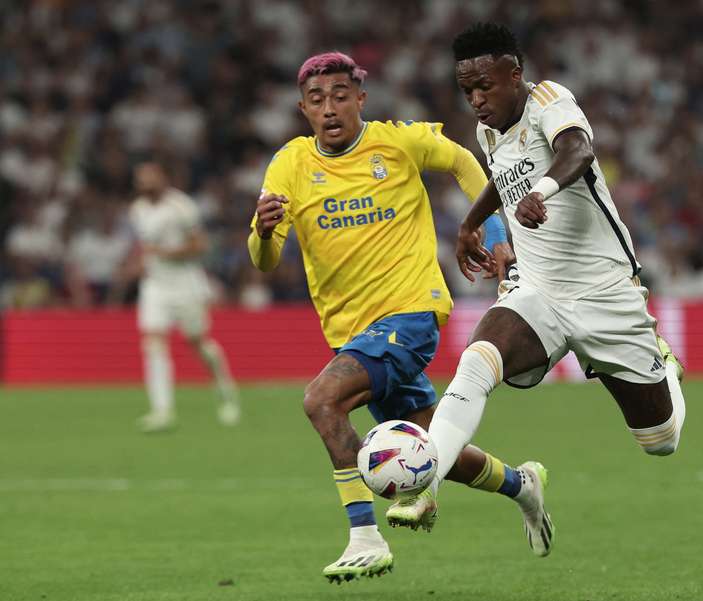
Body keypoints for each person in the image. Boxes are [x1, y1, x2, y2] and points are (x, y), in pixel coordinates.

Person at [247, 52, 552, 584]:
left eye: (340, 95)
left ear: (360, 99)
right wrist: (264, 231)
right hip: (352, 333)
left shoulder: (396, 141)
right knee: (437, 449)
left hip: (410, 313)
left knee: (322, 401)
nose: (330, 108)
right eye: (317, 100)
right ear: (303, 110)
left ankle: (364, 538)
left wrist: (496, 232)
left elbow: (461, 160)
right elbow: (264, 261)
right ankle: (522, 485)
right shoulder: (289, 165)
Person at [392, 23, 688, 552]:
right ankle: (427, 483)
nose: (477, 100)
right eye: (467, 91)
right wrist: (470, 223)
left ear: (515, 74)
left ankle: (664, 365)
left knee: (660, 442)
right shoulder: (489, 130)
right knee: (477, 362)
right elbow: (499, 177)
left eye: (485, 85)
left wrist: (543, 189)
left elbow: (578, 150)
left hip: (604, 293)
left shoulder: (549, 100)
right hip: (538, 292)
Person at [129, 161, 241, 432]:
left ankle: (225, 391)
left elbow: (200, 244)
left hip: (185, 284)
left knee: (197, 342)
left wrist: (167, 254)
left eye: (149, 178)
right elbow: (145, 247)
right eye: (140, 179)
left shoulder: (181, 206)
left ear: (162, 178)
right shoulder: (137, 210)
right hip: (155, 286)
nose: (145, 183)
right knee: (153, 341)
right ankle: (162, 411)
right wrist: (141, 263)